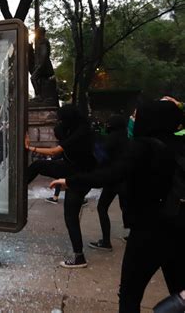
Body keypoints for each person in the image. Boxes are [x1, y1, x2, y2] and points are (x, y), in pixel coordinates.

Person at [50, 98, 185, 312]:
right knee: (178, 291)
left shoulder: (143, 147)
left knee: (130, 293)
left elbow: (112, 173)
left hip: (148, 230)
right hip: (179, 229)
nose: (133, 119)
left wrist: (71, 181)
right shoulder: (180, 145)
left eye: (137, 115)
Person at [25, 105, 97, 268]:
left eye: (61, 120)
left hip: (81, 176)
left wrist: (29, 147)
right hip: (71, 168)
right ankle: (18, 190)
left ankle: (79, 257)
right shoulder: (74, 129)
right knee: (37, 165)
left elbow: (54, 152)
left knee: (71, 216)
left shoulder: (81, 132)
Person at [88, 115, 130, 251]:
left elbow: (101, 155)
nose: (106, 125)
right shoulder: (126, 137)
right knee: (126, 207)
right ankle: (132, 234)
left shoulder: (112, 138)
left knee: (102, 207)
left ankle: (106, 241)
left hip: (113, 179)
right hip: (125, 178)